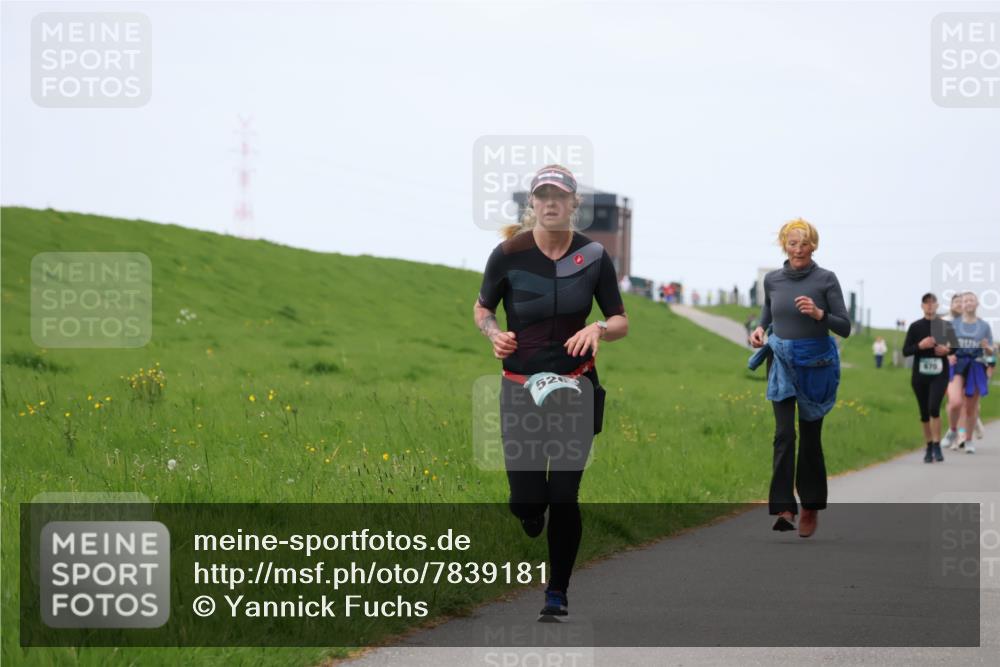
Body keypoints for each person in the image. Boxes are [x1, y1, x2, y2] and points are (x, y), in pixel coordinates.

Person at [473, 164, 628, 618]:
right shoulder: (507, 253)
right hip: (519, 387)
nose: (550, 202)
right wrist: (492, 333)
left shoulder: (595, 255)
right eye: (542, 196)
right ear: (533, 204)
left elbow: (620, 319)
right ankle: (528, 510)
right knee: (526, 500)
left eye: (559, 196)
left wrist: (599, 328)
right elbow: (483, 307)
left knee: (564, 494)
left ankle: (556, 591)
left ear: (573, 204)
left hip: (574, 387)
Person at [748, 218, 850, 538]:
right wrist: (760, 329)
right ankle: (783, 507)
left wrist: (820, 314)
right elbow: (768, 312)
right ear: (784, 246)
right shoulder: (773, 280)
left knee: (809, 437)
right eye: (792, 243)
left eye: (804, 243)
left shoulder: (826, 280)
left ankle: (810, 506)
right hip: (781, 362)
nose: (798, 249)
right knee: (783, 435)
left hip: (816, 364)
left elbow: (845, 326)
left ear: (813, 246)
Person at [902, 293, 957, 462]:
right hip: (920, 375)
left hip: (939, 374)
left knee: (934, 408)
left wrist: (946, 350)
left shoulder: (945, 326)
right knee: (924, 413)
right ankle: (928, 446)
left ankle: (937, 445)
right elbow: (906, 351)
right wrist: (920, 345)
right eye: (926, 303)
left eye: (932, 302)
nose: (930, 305)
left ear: (937, 305)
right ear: (922, 306)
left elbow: (955, 347)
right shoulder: (915, 326)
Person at [946, 292, 993, 453]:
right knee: (955, 402)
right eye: (965, 300)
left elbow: (990, 352)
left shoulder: (984, 326)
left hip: (976, 365)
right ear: (962, 304)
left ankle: (968, 440)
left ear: (977, 303)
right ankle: (953, 430)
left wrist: (986, 348)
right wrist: (949, 355)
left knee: (971, 408)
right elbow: (946, 346)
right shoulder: (954, 324)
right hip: (958, 364)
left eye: (971, 300)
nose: (968, 303)